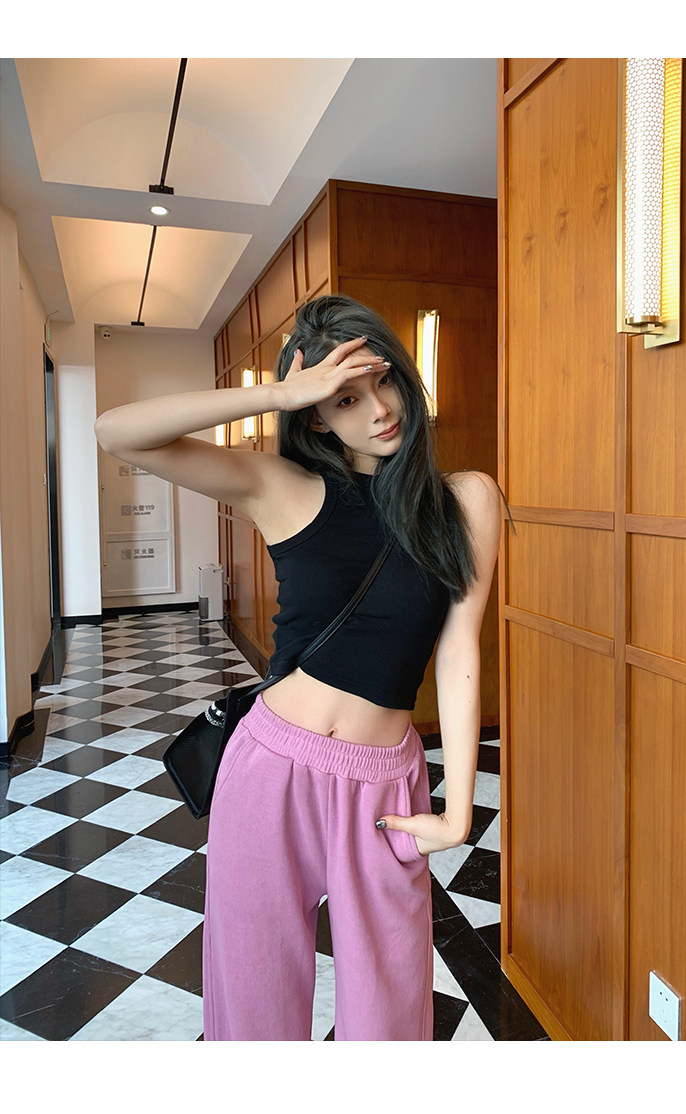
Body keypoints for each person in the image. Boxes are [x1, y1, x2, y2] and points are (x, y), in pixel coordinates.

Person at [94, 293, 502, 1041]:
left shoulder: (466, 500)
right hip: (271, 770)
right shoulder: (284, 487)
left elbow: (458, 650)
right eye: (345, 399)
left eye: (383, 380)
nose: (379, 410)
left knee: (388, 1015)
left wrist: (459, 811)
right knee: (254, 1004)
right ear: (316, 417)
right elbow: (116, 432)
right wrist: (280, 393)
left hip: (383, 784)